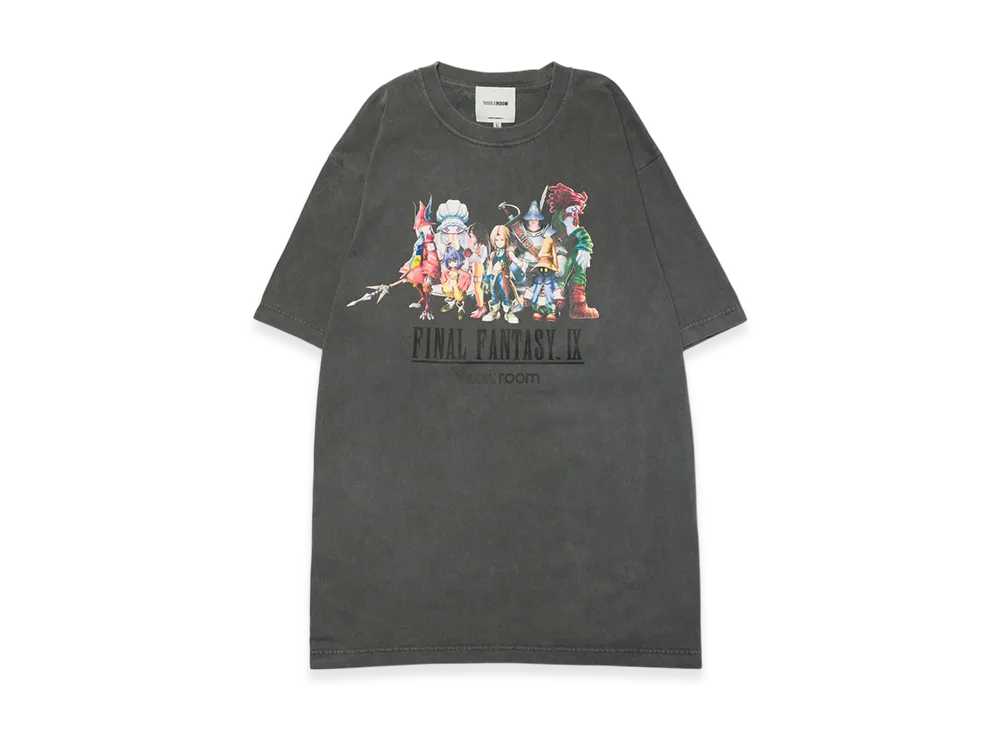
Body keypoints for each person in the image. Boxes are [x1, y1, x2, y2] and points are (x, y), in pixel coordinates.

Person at [482, 225, 525, 324]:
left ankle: (509, 312)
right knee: (493, 294)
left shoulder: (508, 253)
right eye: (496, 240)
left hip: (504, 277)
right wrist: (486, 279)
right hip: (493, 277)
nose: (499, 242)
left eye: (502, 239)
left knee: (505, 295)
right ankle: (494, 311)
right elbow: (490, 267)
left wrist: (512, 271)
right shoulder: (493, 254)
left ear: (506, 239)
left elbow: (519, 263)